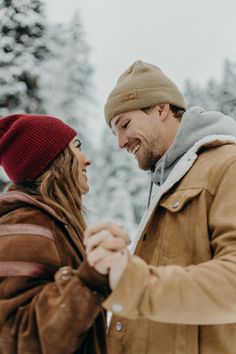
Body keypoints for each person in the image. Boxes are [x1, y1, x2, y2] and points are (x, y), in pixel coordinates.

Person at [84, 60, 236, 354]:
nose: (120, 143)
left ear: (161, 109)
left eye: (125, 125)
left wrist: (134, 283)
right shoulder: (172, 178)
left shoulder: (226, 165)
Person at [0, 113, 128, 354]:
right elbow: (17, 337)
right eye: (76, 147)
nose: (87, 159)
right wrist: (91, 278)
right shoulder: (27, 223)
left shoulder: (49, 221)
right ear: (53, 160)